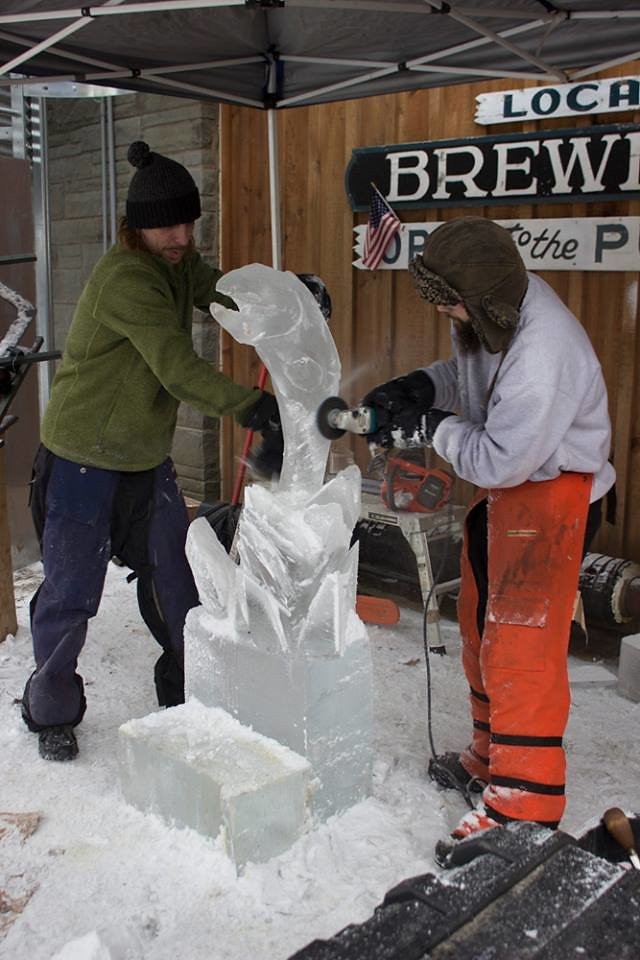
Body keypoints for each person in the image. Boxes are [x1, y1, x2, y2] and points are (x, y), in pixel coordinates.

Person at [21, 140, 281, 762]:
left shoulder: (177, 262)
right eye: (168, 224)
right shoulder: (127, 279)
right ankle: (50, 707)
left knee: (176, 574)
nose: (181, 236)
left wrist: (282, 302)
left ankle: (187, 687)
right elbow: (176, 367)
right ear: (136, 226)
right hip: (84, 457)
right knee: (71, 592)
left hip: (144, 461)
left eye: (188, 222)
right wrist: (248, 404)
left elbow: (219, 293)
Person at [362, 217, 615, 847]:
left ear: (482, 299)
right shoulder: (496, 310)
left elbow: (500, 454)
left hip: (551, 497)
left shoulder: (543, 353)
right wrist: (423, 385)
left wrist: (430, 427)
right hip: (511, 495)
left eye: (448, 301)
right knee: (479, 627)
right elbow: (474, 385)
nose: (443, 311)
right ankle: (492, 756)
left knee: (522, 650)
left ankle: (524, 807)